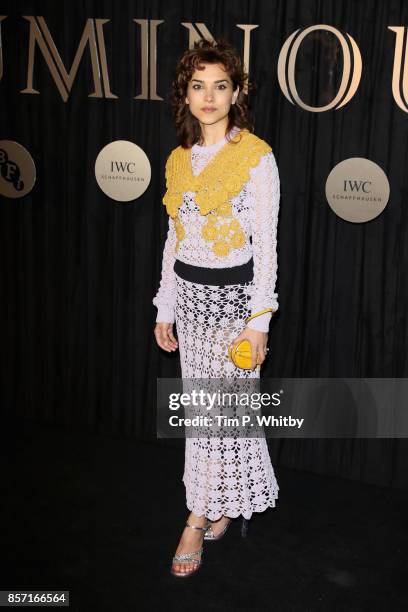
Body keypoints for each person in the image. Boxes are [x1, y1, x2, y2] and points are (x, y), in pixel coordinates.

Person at [153, 37, 280, 577]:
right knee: (207, 415)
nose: (209, 97)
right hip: (190, 302)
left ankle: (197, 517)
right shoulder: (179, 160)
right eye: (198, 86)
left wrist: (259, 322)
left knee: (217, 413)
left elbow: (266, 245)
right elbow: (173, 239)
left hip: (235, 308)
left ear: (236, 93)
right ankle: (220, 501)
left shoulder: (256, 157)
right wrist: (165, 307)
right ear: (185, 94)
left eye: (220, 86)